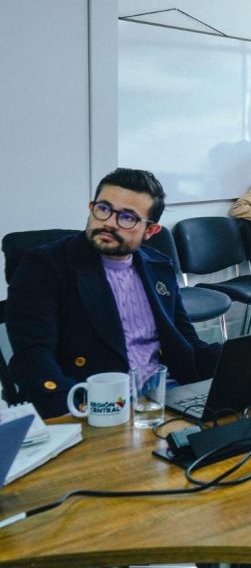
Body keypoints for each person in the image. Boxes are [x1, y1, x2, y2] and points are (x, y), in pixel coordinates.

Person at [6, 168, 220, 418]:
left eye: (127, 217)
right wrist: (72, 410)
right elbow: (33, 356)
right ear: (91, 207)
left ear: (150, 231)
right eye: (104, 208)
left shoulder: (158, 266)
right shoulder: (45, 265)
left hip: (166, 401)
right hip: (95, 407)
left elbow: (186, 339)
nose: (108, 222)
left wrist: (237, 366)